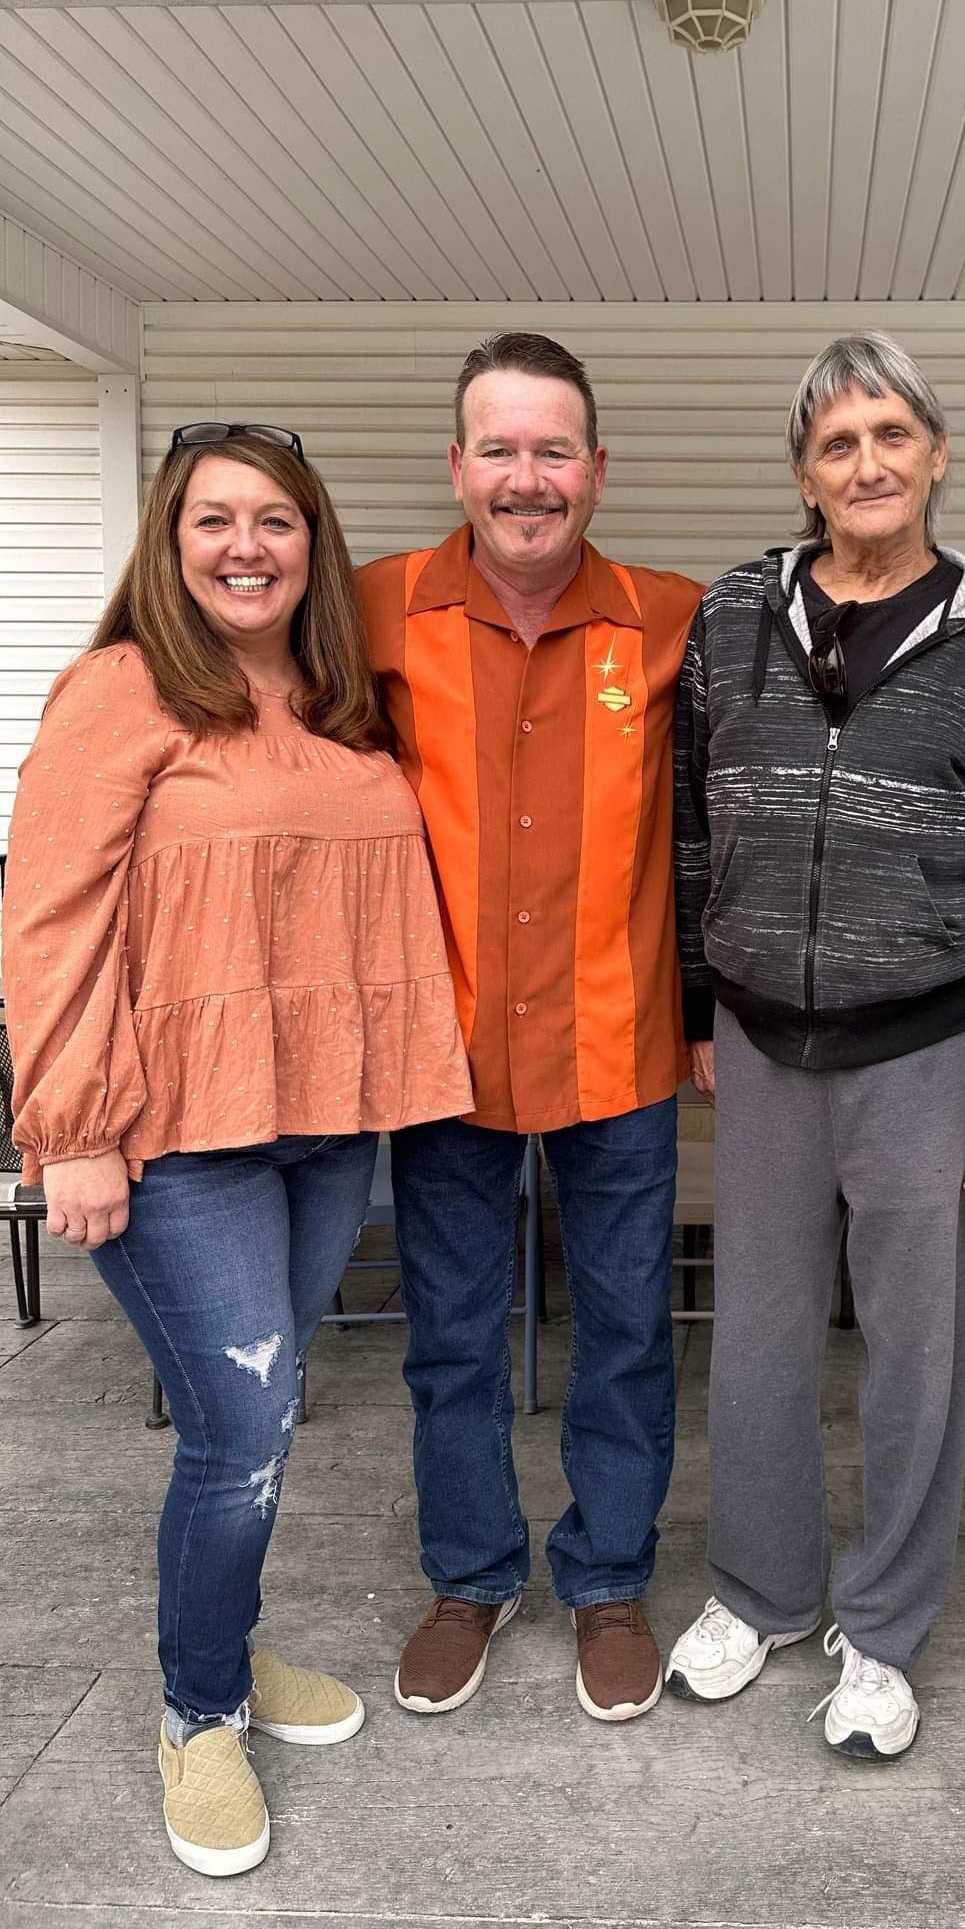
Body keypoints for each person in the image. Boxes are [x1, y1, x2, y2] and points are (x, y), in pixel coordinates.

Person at [1, 422, 472, 1876]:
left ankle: (228, 1647)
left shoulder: (340, 701)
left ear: (313, 543)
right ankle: (197, 1711)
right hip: (171, 1134)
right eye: (216, 520)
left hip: (322, 1124)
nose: (247, 546)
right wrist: (67, 1130)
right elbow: (48, 918)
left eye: (277, 520)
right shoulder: (121, 690)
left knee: (255, 1424)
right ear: (170, 537)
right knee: (243, 1431)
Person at [665, 333, 965, 1761]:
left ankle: (882, 1626)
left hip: (932, 1044)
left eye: (891, 435)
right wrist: (696, 1006)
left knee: (915, 1348)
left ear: (936, 453)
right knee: (756, 1338)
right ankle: (761, 1592)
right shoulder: (730, 616)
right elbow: (690, 825)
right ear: (803, 473)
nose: (868, 464)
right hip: (762, 1039)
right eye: (837, 444)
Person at [357, 335, 703, 1726]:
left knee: (626, 1330)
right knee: (451, 1333)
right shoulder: (374, 610)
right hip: (441, 1054)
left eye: (553, 449)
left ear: (598, 470)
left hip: (620, 1046)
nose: (526, 477)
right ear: (456, 466)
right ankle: (472, 1574)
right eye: (498, 448)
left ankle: (609, 1580)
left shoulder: (672, 618)